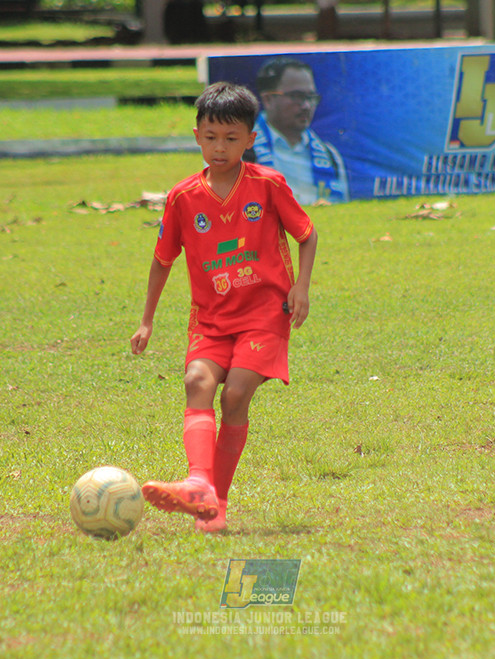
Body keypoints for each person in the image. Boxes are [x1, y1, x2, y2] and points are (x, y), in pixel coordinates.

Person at [130, 82, 318, 532]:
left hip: (265, 315)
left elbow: (307, 235)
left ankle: (217, 499)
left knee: (235, 395)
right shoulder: (182, 197)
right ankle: (201, 488)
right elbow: (162, 260)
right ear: (197, 136)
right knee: (197, 380)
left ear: (251, 140)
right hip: (210, 320)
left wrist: (302, 289)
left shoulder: (268, 184)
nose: (220, 147)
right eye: (211, 137)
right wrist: (147, 320)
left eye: (231, 139)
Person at [248, 57, 349, 205]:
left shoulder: (330, 156)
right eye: (296, 96)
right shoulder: (243, 152)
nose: (306, 106)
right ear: (268, 99)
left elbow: (342, 213)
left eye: (311, 97)